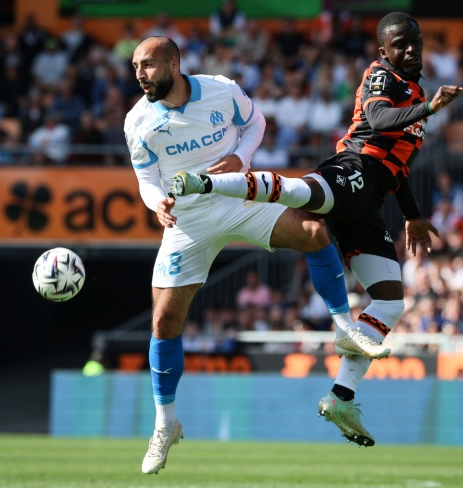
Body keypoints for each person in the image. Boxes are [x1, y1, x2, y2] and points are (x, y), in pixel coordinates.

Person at [172, 12, 463, 447]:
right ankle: (205, 183)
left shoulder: (415, 89)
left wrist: (412, 214)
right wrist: (431, 108)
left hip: (372, 199)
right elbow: (380, 121)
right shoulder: (383, 77)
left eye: (414, 41)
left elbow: (397, 164)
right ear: (384, 50)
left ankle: (341, 397)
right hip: (353, 168)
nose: (409, 49)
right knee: (298, 192)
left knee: (390, 300)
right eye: (399, 43)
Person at [124, 37, 387, 475]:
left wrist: (239, 158)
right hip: (187, 220)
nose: (139, 74)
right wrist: (156, 203)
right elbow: (145, 175)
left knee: (312, 231)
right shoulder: (138, 120)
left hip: (235, 198)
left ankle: (344, 328)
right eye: (135, 66)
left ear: (173, 62)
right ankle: (165, 423)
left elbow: (256, 122)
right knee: (164, 322)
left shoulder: (220, 89)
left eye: (147, 65)